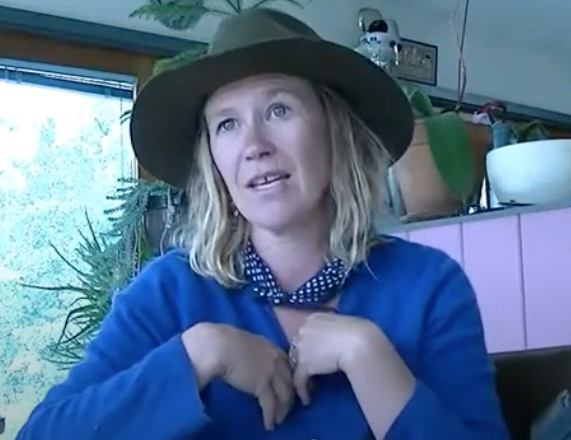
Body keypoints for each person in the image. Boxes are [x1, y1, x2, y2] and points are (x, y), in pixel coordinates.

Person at [17, 8, 510, 440]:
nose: (254, 144)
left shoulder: (429, 286)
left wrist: (368, 358)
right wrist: (198, 355)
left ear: (334, 132)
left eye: (278, 109)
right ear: (213, 160)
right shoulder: (169, 294)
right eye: (227, 124)